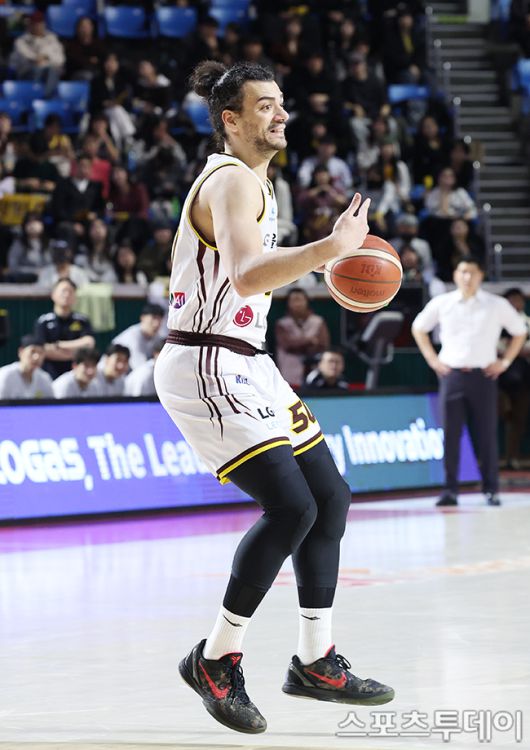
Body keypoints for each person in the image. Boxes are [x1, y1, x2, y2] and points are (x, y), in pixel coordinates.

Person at [154, 60, 393, 736]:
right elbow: (245, 273)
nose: (281, 113)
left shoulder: (257, 181)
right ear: (231, 120)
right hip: (206, 360)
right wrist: (332, 248)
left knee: (330, 497)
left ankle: (316, 661)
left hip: (247, 361)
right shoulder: (231, 179)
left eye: (281, 102)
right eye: (265, 105)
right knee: (292, 507)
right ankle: (215, 658)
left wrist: (327, 255)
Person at [412, 257, 527, 507]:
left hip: (483, 376)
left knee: (487, 434)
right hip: (451, 375)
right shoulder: (442, 303)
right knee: (451, 434)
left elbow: (519, 331)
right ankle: (450, 490)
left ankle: (491, 489)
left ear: (480, 275)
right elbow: (418, 327)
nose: (467, 277)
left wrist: (505, 362)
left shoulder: (495, 304)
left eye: (472, 272)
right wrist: (432, 359)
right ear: (455, 274)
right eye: (462, 271)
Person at [33, 277, 95, 380]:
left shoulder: (82, 321)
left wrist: (58, 345)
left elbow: (89, 344)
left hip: (76, 376)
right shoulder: (43, 321)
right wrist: (75, 351)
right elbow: (42, 350)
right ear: (53, 295)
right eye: (63, 291)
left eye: (70, 291)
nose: (66, 295)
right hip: (49, 374)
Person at [497, 288, 530, 470]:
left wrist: (516, 348)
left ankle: (512, 457)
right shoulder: (496, 322)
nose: (517, 303)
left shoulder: (527, 322)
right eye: (513, 299)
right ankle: (494, 458)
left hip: (523, 378)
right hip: (498, 377)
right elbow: (494, 347)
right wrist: (510, 350)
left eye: (519, 300)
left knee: (519, 418)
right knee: (500, 413)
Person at [275, 287, 331, 386]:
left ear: (306, 301)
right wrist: (309, 341)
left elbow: (323, 345)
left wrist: (298, 344)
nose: (297, 304)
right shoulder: (282, 324)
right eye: (294, 300)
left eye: (300, 299)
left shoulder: (318, 321)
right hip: (290, 373)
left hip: (315, 373)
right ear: (288, 303)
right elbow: (287, 345)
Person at [9, 11, 65, 97]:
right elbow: (27, 56)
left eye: (40, 24)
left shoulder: (52, 39)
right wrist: (40, 58)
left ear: (44, 24)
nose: (38, 27)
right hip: (27, 72)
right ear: (30, 25)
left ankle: (44, 97)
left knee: (53, 71)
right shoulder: (21, 41)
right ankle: (37, 96)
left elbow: (61, 59)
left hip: (49, 70)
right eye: (35, 24)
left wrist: (46, 56)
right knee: (37, 69)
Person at [0, 334, 54, 400]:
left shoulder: (45, 378)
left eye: (41, 353)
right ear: (21, 352)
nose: (37, 357)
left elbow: (52, 405)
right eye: (32, 351)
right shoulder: (4, 375)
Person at [112, 303, 164, 369]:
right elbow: (139, 367)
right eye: (154, 318)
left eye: (159, 319)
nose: (156, 324)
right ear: (143, 318)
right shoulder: (133, 336)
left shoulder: (157, 336)